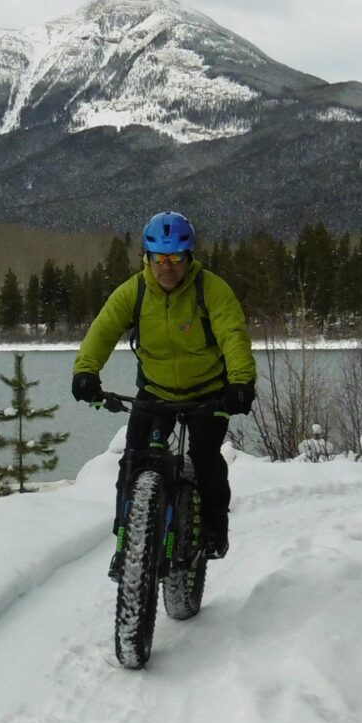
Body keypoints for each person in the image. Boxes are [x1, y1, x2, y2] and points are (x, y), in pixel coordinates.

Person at [71, 211, 256, 575]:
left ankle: (215, 529)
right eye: (159, 258)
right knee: (132, 464)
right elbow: (103, 329)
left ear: (189, 258)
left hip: (208, 393)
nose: (167, 267)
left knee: (205, 460)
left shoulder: (211, 289)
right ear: (147, 258)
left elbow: (233, 335)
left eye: (175, 259)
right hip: (155, 392)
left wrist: (240, 382)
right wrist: (85, 371)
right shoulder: (135, 291)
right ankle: (125, 542)